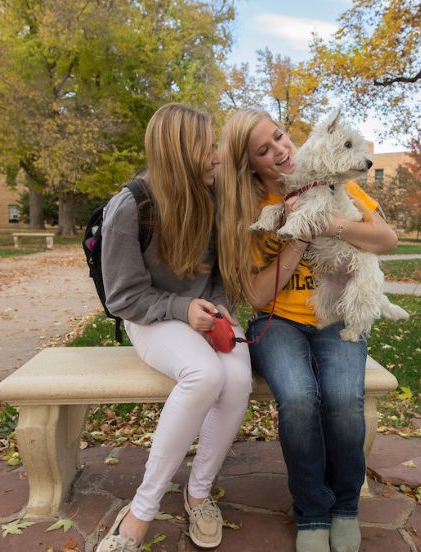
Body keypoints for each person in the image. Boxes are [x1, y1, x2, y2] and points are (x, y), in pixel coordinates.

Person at [215, 109, 398, 552]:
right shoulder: (248, 209)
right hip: (277, 321)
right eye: (264, 149)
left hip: (334, 316)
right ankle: (313, 512)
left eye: (279, 137)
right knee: (298, 398)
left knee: (341, 399)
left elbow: (386, 239)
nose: (280, 149)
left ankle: (345, 508)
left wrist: (330, 224)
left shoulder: (333, 178)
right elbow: (257, 296)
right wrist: (297, 238)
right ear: (250, 164)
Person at [96, 103, 252, 552]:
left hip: (203, 313)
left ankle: (199, 492)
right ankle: (141, 512)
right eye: (208, 149)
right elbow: (123, 298)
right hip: (149, 317)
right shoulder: (130, 206)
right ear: (180, 153)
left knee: (237, 377)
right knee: (204, 375)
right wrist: (183, 310)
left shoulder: (213, 195)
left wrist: (220, 311)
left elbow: (219, 277)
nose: (217, 157)